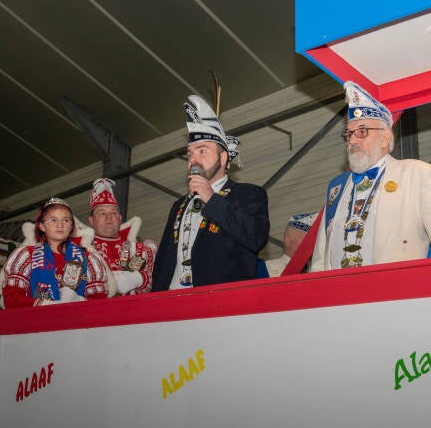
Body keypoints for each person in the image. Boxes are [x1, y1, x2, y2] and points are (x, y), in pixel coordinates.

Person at [311, 81, 431, 271]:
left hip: (397, 296)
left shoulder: (418, 175)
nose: (352, 140)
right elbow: (321, 257)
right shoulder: (336, 187)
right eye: (349, 134)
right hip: (339, 297)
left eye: (362, 132)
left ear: (385, 138)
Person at [152, 94, 270, 290]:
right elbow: (163, 259)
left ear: (223, 158)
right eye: (190, 154)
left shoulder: (249, 194)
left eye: (202, 151)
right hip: (172, 303)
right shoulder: (179, 205)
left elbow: (256, 238)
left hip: (220, 303)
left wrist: (211, 199)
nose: (193, 159)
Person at [0, 197, 112, 308]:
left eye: (66, 220)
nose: (60, 225)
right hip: (36, 323)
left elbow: (100, 305)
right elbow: (11, 300)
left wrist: (79, 301)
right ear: (42, 226)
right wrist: (46, 305)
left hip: (77, 324)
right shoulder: (26, 255)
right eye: (53, 220)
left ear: (71, 226)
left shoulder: (89, 259)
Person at [89, 177, 155, 295]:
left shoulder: (140, 249)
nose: (109, 217)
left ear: (120, 218)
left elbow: (158, 280)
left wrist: (140, 278)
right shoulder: (80, 250)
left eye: (113, 213)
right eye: (102, 213)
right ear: (91, 221)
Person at [265, 212, 318, 277]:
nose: (314, 244)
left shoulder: (316, 272)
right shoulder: (264, 269)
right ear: (288, 240)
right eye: (307, 239)